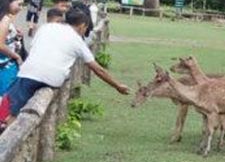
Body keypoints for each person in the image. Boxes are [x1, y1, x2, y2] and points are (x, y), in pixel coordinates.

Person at [0, 8, 129, 127]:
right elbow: (98, 69)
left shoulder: (46, 27)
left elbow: (34, 47)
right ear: (82, 26)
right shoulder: (78, 41)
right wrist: (118, 86)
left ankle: (7, 124)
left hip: (30, 74)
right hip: (53, 80)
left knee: (12, 109)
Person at [0, 0, 25, 94]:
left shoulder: (5, 17)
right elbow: (0, 45)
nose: (21, 8)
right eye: (19, 4)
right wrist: (16, 56)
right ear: (8, 1)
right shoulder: (5, 19)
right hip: (5, 66)